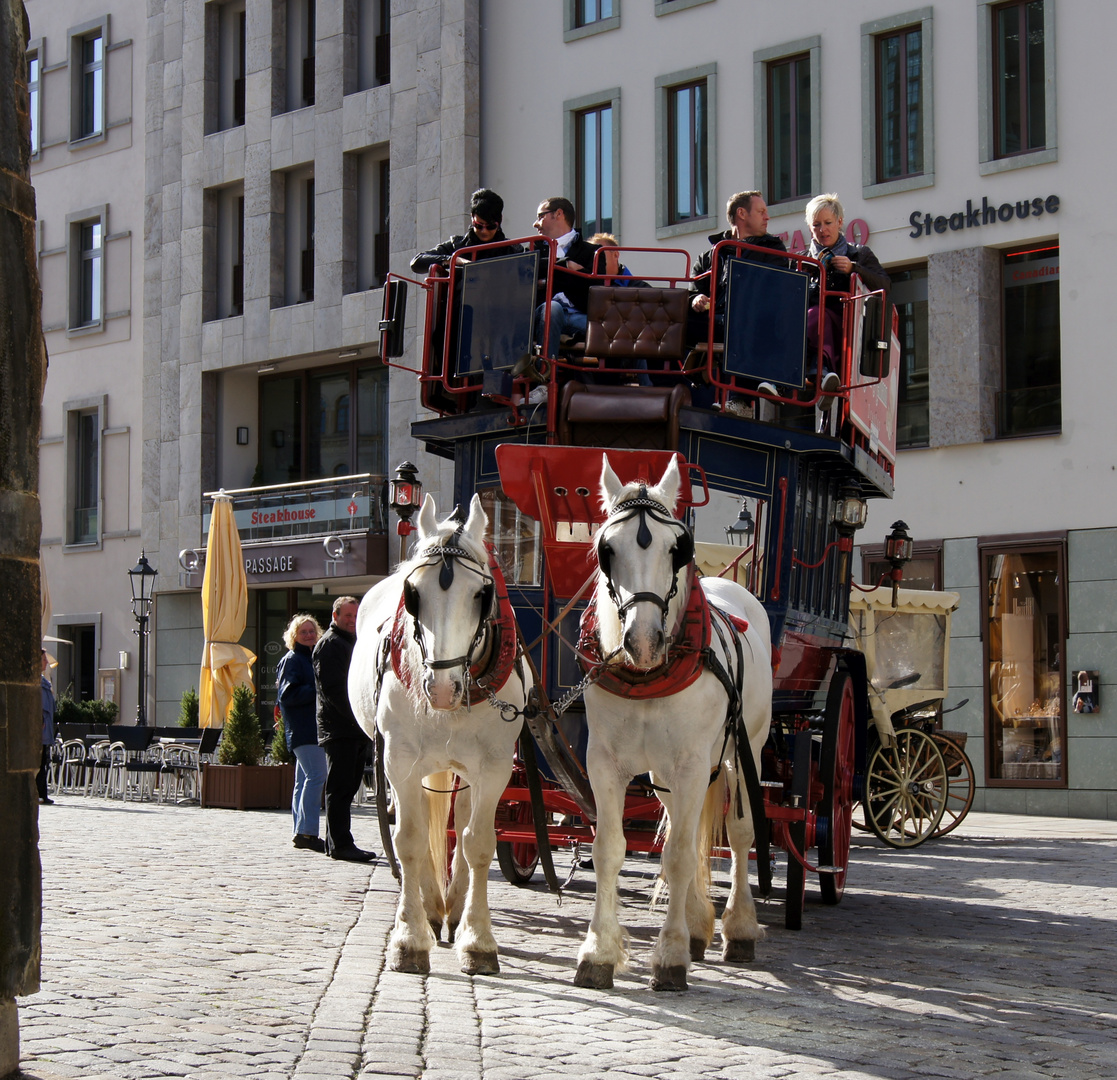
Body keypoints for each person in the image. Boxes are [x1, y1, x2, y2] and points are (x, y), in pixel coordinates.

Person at [687, 191, 788, 415]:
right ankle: (684, 386)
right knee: (676, 320)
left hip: (755, 321)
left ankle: (740, 401)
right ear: (742, 213)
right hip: (717, 321)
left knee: (744, 319)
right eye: (761, 211)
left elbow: (775, 292)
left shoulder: (773, 249)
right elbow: (692, 292)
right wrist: (696, 299)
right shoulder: (709, 256)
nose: (767, 217)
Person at [801, 193, 890, 404]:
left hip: (848, 328)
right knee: (812, 315)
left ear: (840, 222)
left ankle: (822, 372)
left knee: (816, 315)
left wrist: (854, 269)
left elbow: (885, 285)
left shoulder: (859, 253)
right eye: (816, 225)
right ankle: (820, 374)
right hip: (809, 327)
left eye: (828, 223)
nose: (823, 230)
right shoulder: (801, 260)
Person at [314, 595, 376, 862]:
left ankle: (336, 842)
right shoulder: (329, 644)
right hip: (340, 729)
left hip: (355, 729)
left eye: (355, 616)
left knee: (348, 787)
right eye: (347, 616)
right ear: (335, 615)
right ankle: (341, 843)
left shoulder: (354, 641)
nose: (352, 621)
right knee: (340, 788)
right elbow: (334, 692)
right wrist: (360, 718)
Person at [277, 614, 327, 852]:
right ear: (294, 636)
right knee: (317, 776)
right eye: (303, 632)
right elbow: (287, 696)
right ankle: (307, 832)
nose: (308, 635)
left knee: (303, 781)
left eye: (311, 631)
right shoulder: (293, 660)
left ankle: (301, 830)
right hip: (304, 728)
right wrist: (318, 689)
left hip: (309, 728)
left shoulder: (311, 658)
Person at [533, 196, 600, 361]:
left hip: (581, 317)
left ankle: (642, 384)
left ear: (558, 214)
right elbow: (525, 281)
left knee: (623, 327)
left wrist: (546, 282)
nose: (535, 223)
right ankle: (545, 378)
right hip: (544, 315)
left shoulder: (594, 252)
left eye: (541, 216)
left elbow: (597, 288)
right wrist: (568, 266)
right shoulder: (533, 250)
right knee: (553, 308)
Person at [586, 232, 653, 387]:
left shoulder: (638, 287)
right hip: (597, 343)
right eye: (593, 256)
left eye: (600, 254)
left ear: (616, 255)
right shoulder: (586, 287)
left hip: (630, 344)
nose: (595, 260)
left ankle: (647, 392)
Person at [409, 188, 515, 274]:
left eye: (490, 226)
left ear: (500, 220)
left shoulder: (512, 250)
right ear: (472, 218)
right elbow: (416, 262)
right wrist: (454, 260)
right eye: (478, 225)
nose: (484, 231)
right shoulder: (457, 246)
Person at [38, 649, 55, 805]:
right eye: (44, 659)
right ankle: (40, 793)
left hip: (46, 730)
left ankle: (42, 793)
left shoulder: (45, 682)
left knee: (44, 762)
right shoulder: (38, 683)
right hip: (40, 731)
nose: (47, 662)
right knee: (39, 763)